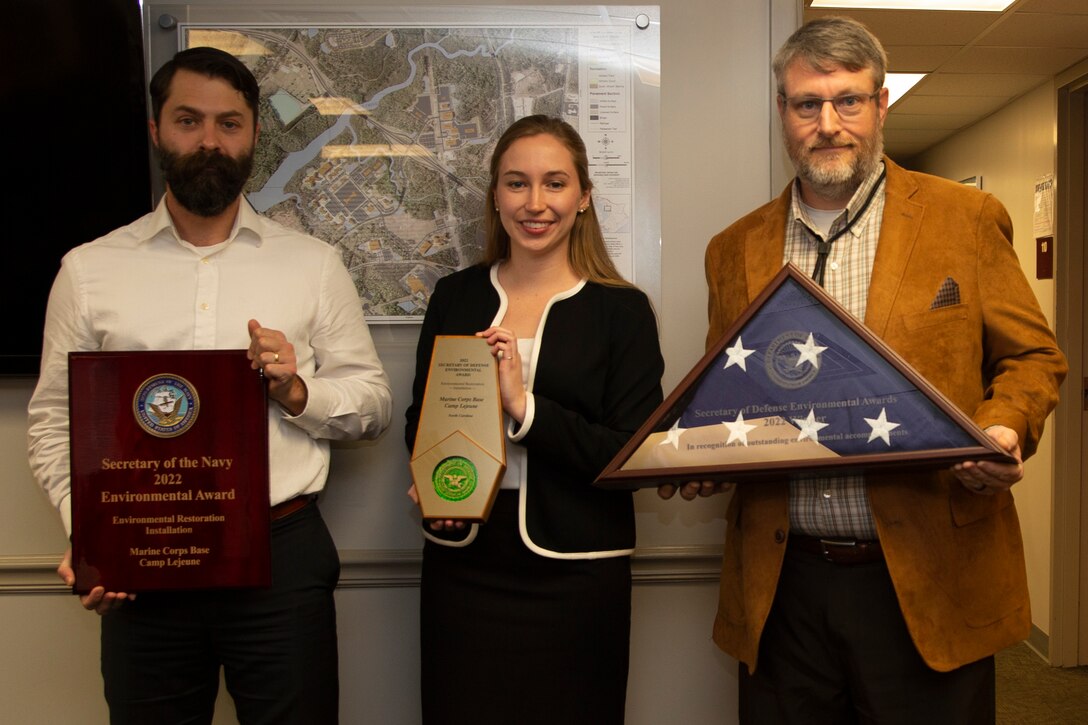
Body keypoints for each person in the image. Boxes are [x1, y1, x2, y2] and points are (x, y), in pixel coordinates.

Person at [661, 16, 1067, 724]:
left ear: (881, 106)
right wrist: (700, 452)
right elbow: (731, 396)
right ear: (782, 114)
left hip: (927, 579)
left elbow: (1034, 357)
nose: (828, 123)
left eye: (848, 100)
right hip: (783, 585)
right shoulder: (734, 249)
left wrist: (1004, 425)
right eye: (806, 104)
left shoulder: (964, 219)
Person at [27, 47, 392, 724]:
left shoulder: (313, 266)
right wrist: (93, 534)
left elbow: (372, 404)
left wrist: (297, 392)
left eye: (229, 124)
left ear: (255, 135)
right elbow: (53, 422)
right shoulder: (89, 270)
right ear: (157, 130)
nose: (209, 141)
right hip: (141, 553)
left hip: (282, 556)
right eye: (188, 120)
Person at [404, 115, 664, 725]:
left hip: (578, 573)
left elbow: (627, 454)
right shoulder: (455, 296)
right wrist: (428, 478)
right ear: (495, 197)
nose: (535, 203)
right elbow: (425, 414)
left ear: (584, 197)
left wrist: (525, 408)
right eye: (516, 184)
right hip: (464, 562)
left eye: (555, 183)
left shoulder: (622, 311)